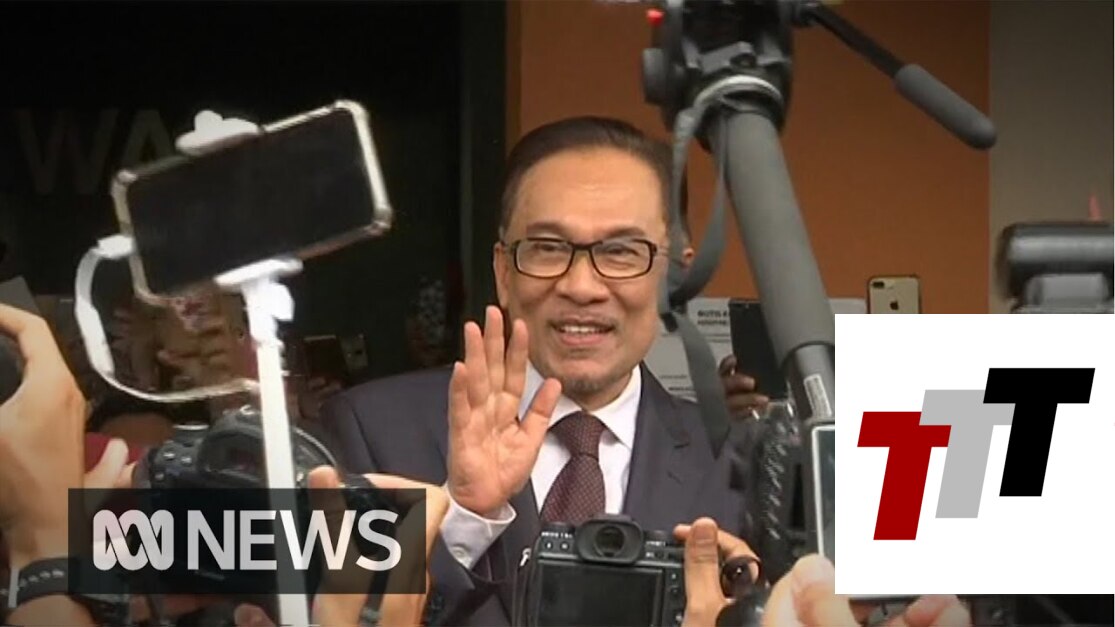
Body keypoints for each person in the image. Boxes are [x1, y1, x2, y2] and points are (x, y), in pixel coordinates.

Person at [319, 116, 752, 625]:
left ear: (674, 276)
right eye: (548, 248)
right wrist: (465, 518)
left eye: (621, 252)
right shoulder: (371, 430)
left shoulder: (735, 463)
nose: (582, 287)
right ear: (504, 272)